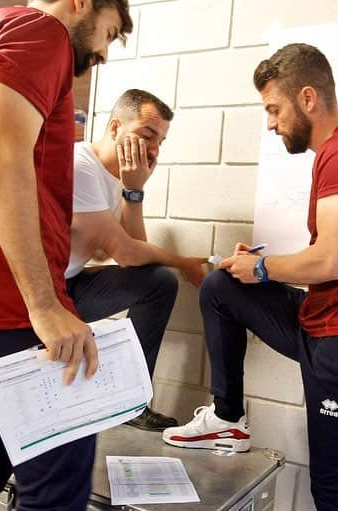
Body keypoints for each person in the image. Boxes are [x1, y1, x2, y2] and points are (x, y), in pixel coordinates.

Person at [162, 43, 338, 511]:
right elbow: (327, 257)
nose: (270, 122)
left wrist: (262, 267)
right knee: (221, 287)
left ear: (308, 98)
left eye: (274, 109)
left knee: (334, 493)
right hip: (324, 324)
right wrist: (252, 269)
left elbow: (333, 260)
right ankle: (228, 419)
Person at [0, 1, 132, 509]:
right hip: (8, 306)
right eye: (108, 33)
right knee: (56, 486)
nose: (103, 52)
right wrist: (43, 306)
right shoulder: (38, 32)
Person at [65, 88, 208, 431]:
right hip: (36, 294)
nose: (154, 149)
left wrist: (134, 192)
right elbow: (128, 253)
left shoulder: (120, 178)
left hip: (68, 284)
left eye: (160, 140)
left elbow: (133, 259)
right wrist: (184, 261)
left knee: (156, 282)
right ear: (115, 129)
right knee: (164, 275)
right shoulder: (80, 165)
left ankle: (131, 405)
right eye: (147, 135)